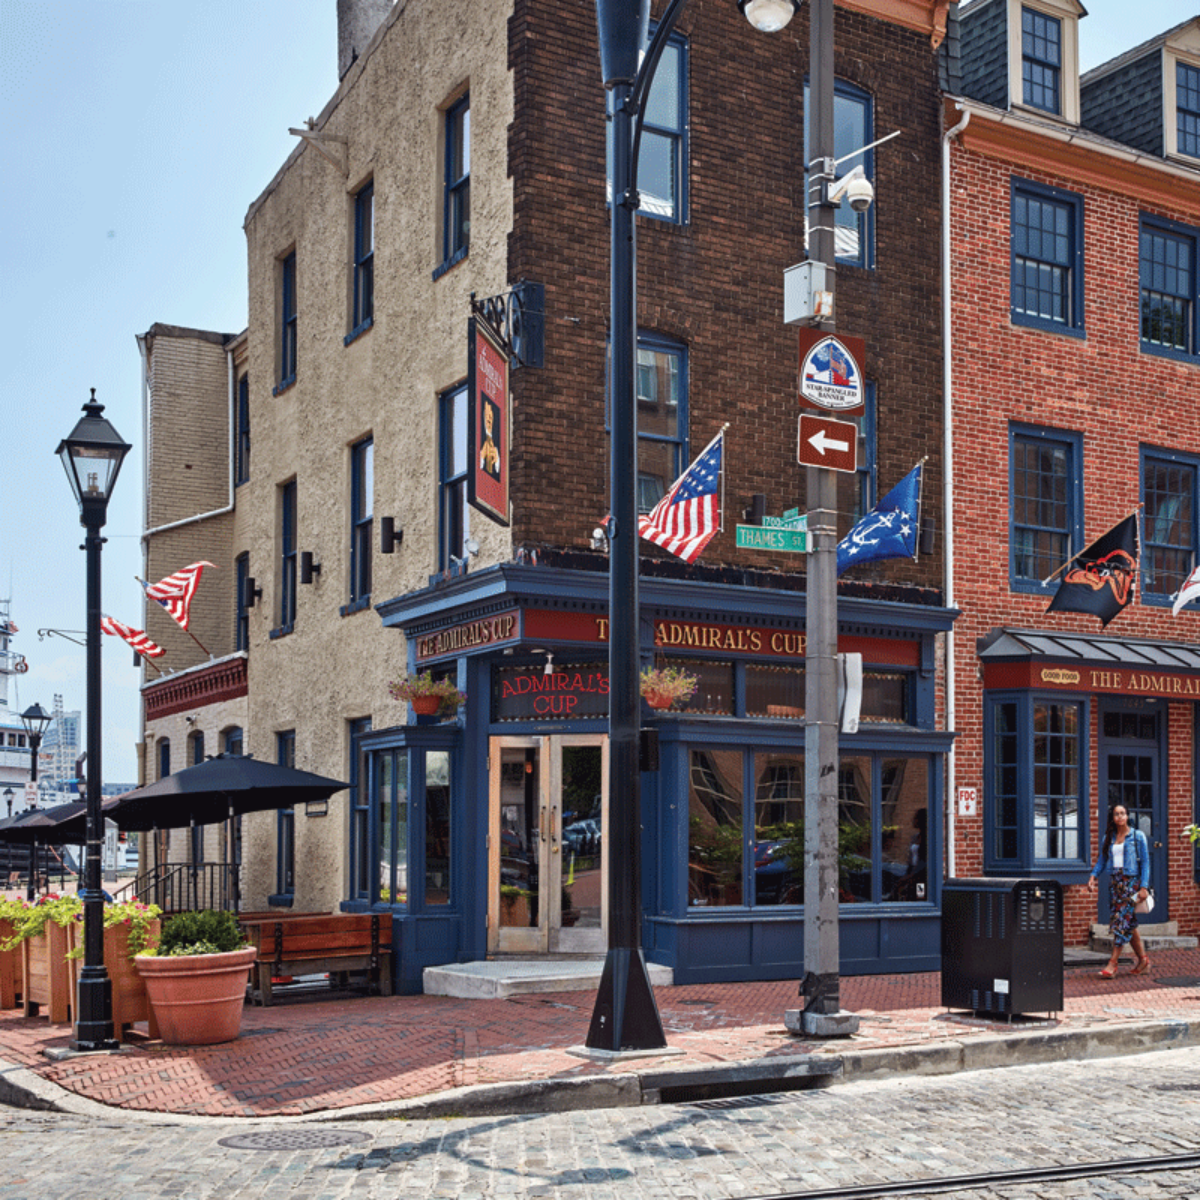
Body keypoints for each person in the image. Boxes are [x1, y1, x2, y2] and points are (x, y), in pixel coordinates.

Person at [1087, 803, 1152, 978]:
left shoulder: (1137, 837)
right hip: (1115, 885)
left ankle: (1112, 963)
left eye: (1123, 813)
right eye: (1116, 814)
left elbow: (1145, 863)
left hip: (1131, 884)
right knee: (1128, 923)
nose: (1120, 816)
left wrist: (1144, 886)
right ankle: (1144, 960)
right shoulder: (1108, 837)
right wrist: (1093, 876)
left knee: (1120, 922)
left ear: (1127, 816)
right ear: (1113, 817)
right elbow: (1102, 860)